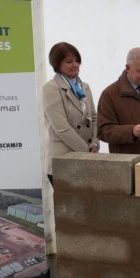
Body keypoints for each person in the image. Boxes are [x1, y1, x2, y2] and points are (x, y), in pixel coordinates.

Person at [42, 42, 99, 183]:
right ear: (57, 64)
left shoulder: (85, 87)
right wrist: (86, 151)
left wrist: (96, 142)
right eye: (69, 61)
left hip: (87, 157)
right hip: (64, 159)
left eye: (77, 60)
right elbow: (62, 128)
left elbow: (94, 117)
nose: (75, 64)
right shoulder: (51, 88)